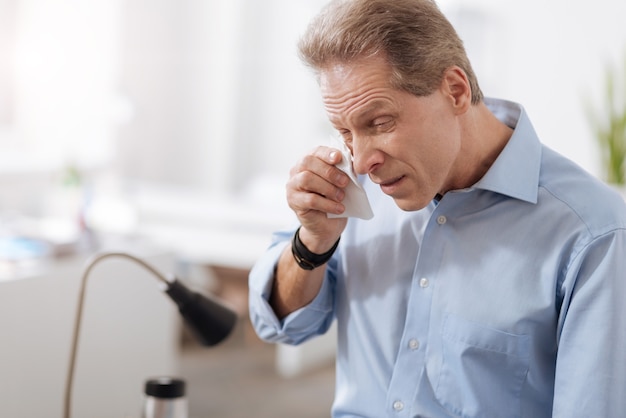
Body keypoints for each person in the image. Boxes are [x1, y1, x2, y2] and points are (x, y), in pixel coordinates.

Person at [248, 0, 626, 416]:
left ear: (456, 91)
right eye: (344, 131)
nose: (360, 160)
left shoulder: (594, 235)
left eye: (380, 123)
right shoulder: (352, 190)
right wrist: (313, 243)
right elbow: (283, 325)